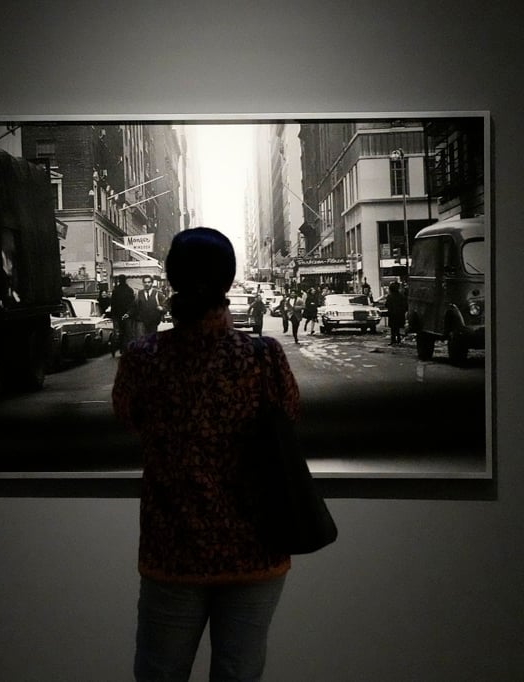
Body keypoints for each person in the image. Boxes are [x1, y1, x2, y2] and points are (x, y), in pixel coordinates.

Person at [113, 227, 301, 682]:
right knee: (239, 674)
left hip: (172, 550)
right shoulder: (263, 356)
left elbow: (128, 419)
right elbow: (290, 417)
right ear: (229, 281)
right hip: (255, 551)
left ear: (172, 280)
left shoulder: (143, 358)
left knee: (159, 673)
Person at [109, 275, 136, 355]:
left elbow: (113, 304)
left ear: (119, 281)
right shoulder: (129, 290)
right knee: (128, 333)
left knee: (118, 332)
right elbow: (132, 303)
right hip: (127, 314)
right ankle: (126, 348)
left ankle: (119, 347)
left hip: (117, 314)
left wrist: (113, 314)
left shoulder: (115, 291)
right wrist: (130, 313)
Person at [385, 280, 408, 345]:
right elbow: (405, 305)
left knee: (393, 328)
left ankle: (393, 340)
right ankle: (398, 340)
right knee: (398, 328)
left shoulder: (390, 296)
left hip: (392, 315)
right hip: (400, 315)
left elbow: (386, 305)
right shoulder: (401, 296)